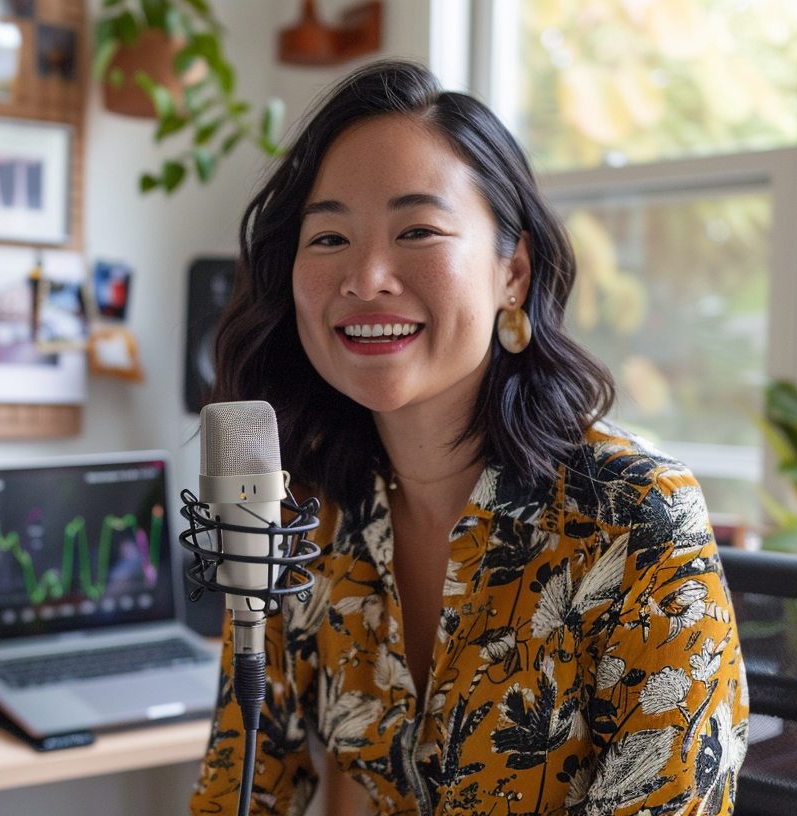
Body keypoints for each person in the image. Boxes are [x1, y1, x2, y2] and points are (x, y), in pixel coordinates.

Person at [190, 60, 748, 816]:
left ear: (511, 272)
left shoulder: (635, 515)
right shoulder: (298, 512)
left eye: (417, 230)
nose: (366, 277)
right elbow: (240, 786)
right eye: (328, 238)